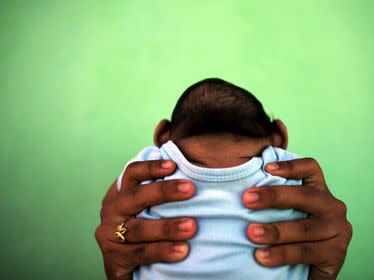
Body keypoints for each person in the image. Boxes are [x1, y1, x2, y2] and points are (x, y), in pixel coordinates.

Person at [95, 79, 353, 280]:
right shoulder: (286, 167)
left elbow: (111, 210)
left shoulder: (151, 162)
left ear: (164, 135)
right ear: (279, 138)